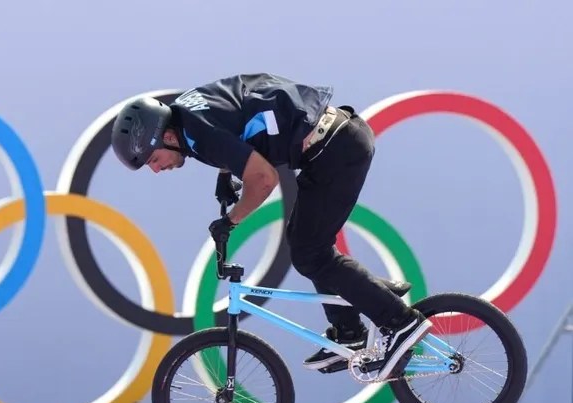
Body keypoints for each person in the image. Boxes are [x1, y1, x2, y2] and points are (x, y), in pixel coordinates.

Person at [109, 73, 432, 378]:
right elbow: (233, 119)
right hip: (334, 143)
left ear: (166, 136)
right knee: (305, 244)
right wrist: (226, 173)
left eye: (153, 159)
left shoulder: (198, 135)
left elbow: (264, 179)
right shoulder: (186, 115)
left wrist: (230, 221)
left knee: (310, 253)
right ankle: (349, 331)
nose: (156, 170)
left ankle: (400, 323)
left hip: (337, 150)